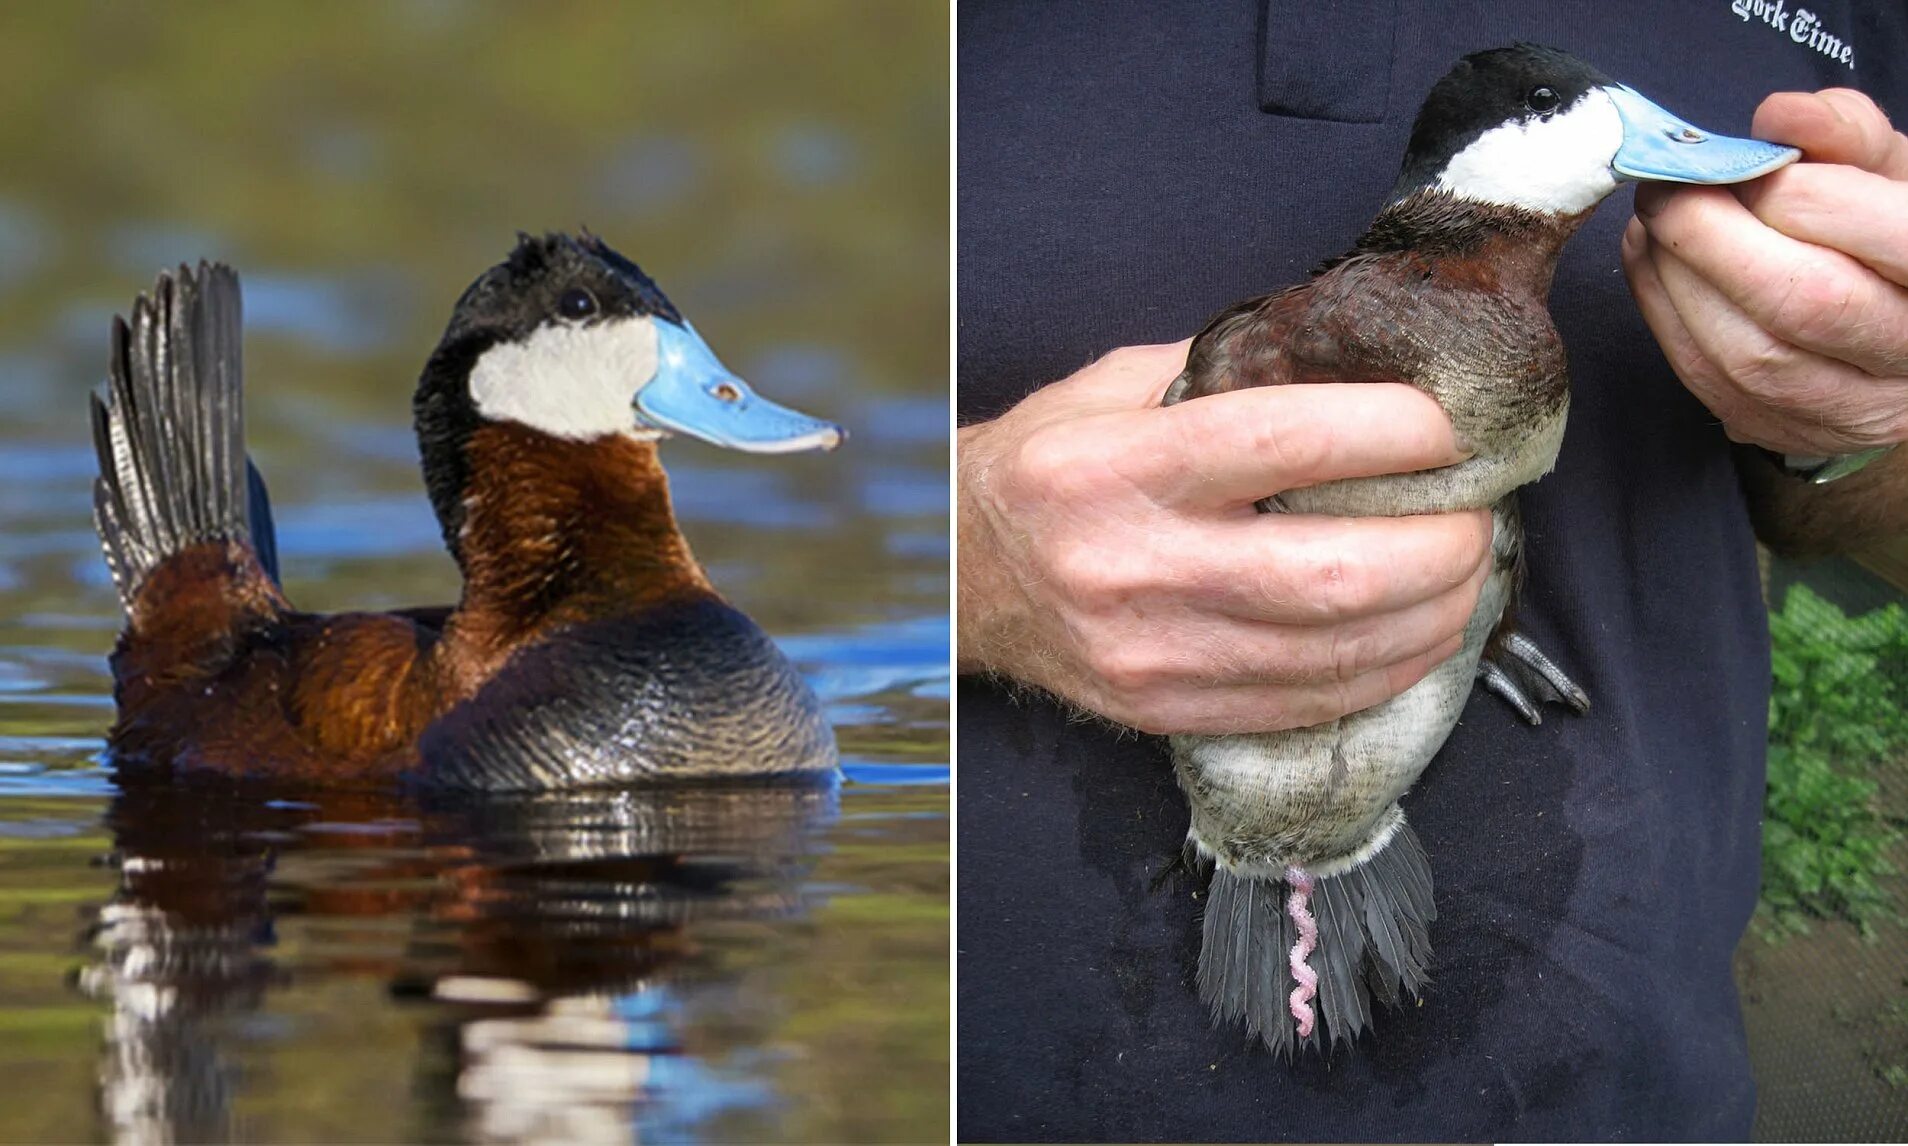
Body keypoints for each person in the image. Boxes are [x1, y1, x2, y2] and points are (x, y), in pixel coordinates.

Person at [956, 1, 1908, 1140]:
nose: (1660, 131)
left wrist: (1872, 417)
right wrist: (956, 549)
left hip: (1612, 1081)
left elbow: (1853, 520)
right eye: (1562, 109)